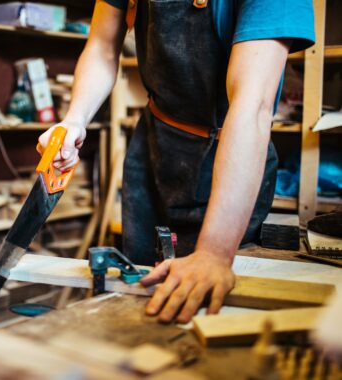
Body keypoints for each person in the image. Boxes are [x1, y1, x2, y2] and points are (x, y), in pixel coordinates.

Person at [38, 0, 315, 323]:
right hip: (154, 148)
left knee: (206, 312)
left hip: (232, 156)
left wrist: (213, 253)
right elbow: (101, 46)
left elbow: (252, 106)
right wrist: (75, 118)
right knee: (135, 298)